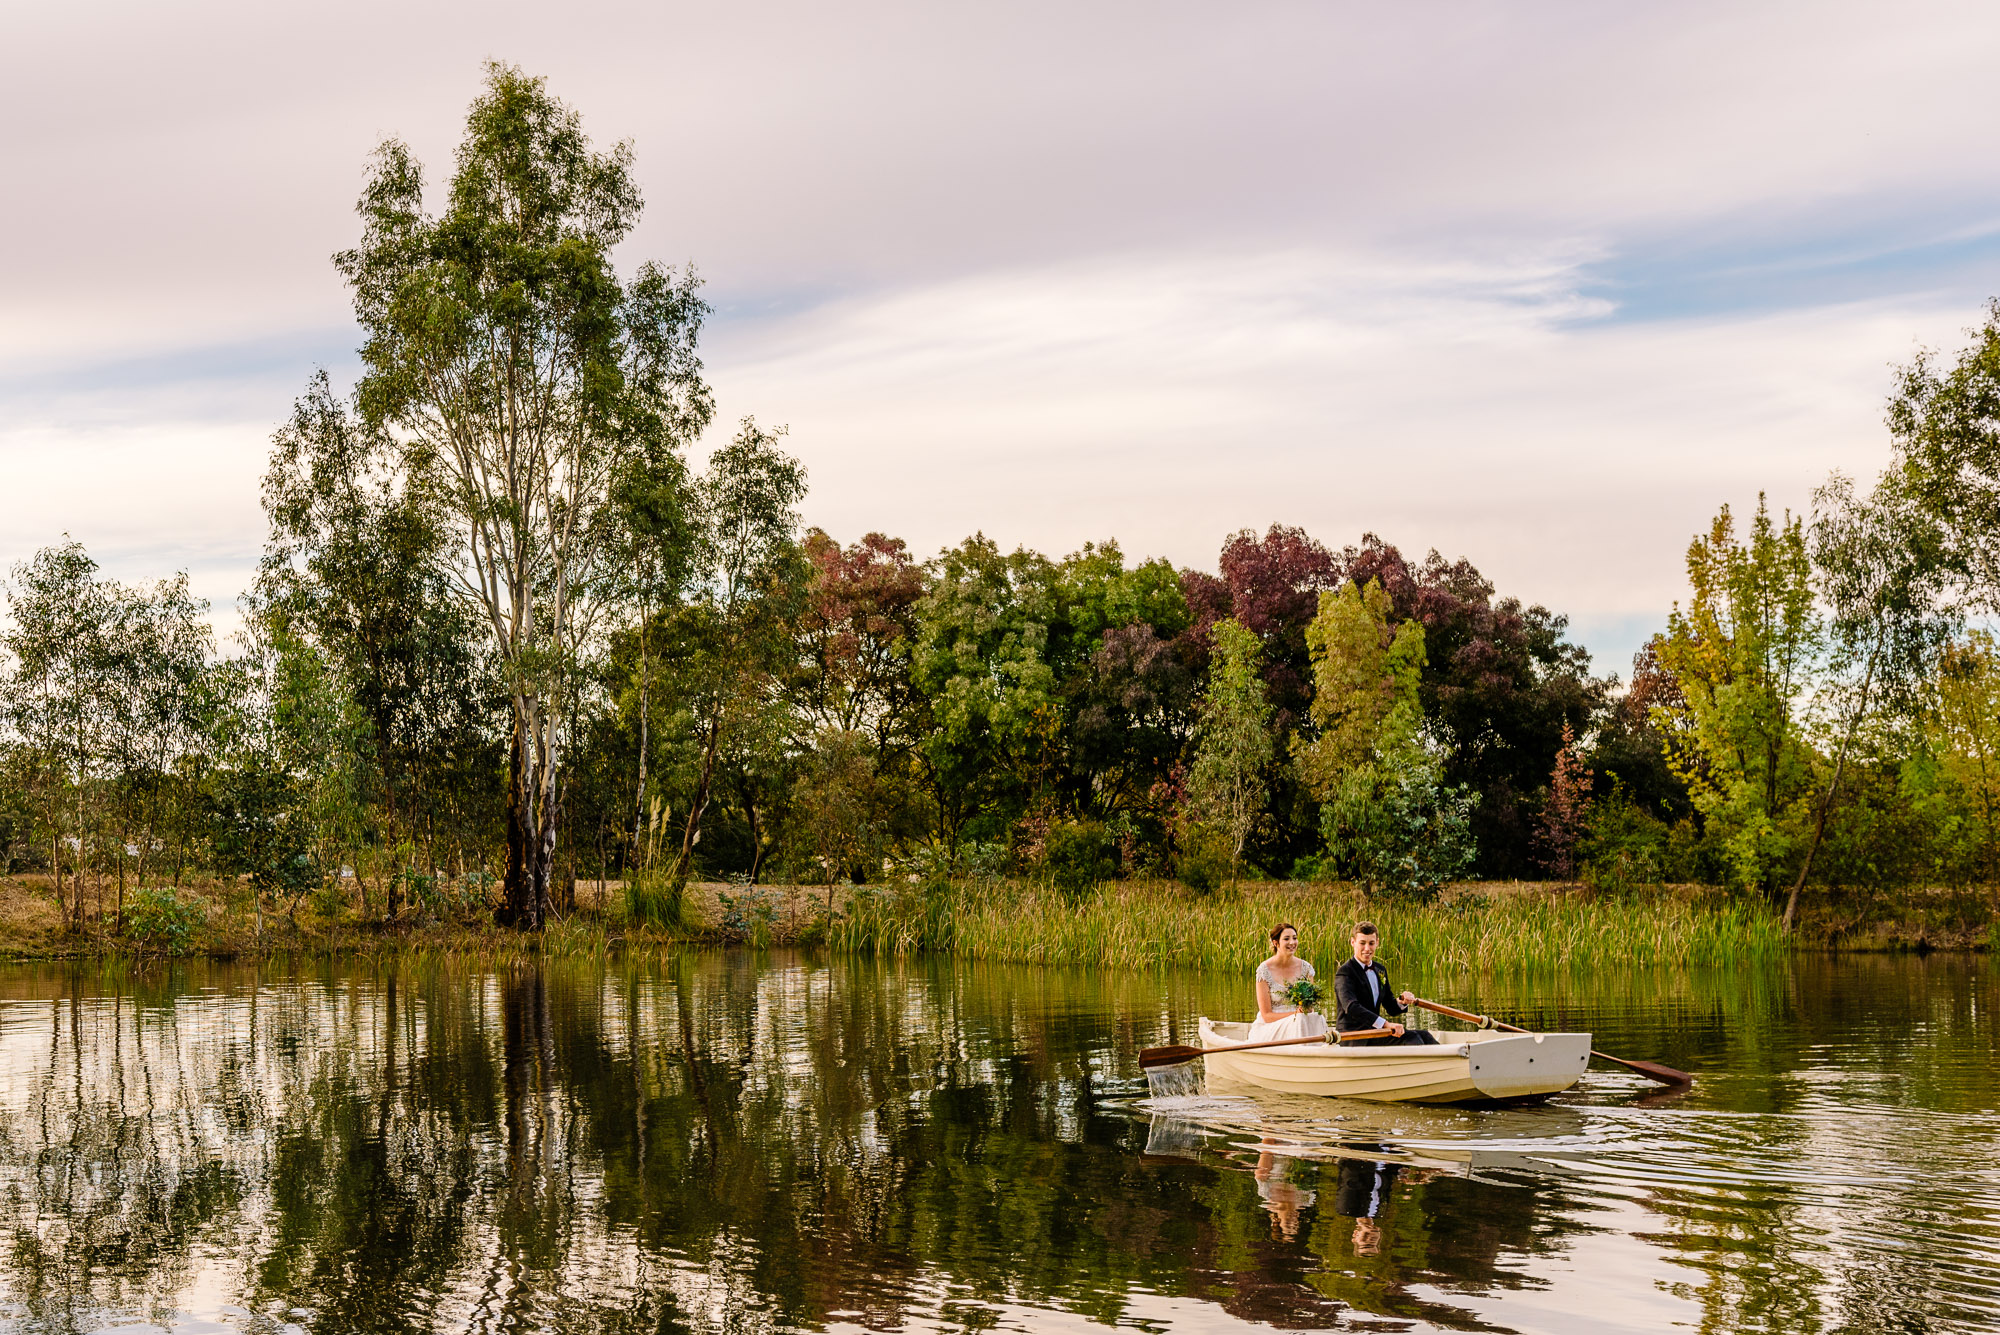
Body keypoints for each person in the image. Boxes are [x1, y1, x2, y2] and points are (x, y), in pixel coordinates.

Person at [1332, 921, 1437, 1045]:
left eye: (1371, 943)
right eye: (1362, 943)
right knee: (1410, 1037)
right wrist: (1386, 1024)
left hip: (1374, 1032)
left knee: (1425, 1035)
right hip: (1353, 1036)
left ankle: (1444, 1062)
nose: (1367, 948)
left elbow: (1390, 1006)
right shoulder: (1345, 972)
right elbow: (1351, 1007)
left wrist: (1401, 1002)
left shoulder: (1379, 969)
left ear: (1377, 942)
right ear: (1352, 942)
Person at [1248, 922, 1329, 1043]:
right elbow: (1267, 1016)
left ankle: (1320, 1053)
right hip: (1272, 1026)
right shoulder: (1264, 971)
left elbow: (1311, 1007)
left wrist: (1306, 1010)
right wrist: (1295, 1014)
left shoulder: (1306, 968)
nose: (1292, 942)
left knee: (1318, 1017)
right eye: (1286, 939)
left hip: (1301, 1022)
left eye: (1294, 938)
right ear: (1276, 943)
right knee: (1300, 1020)